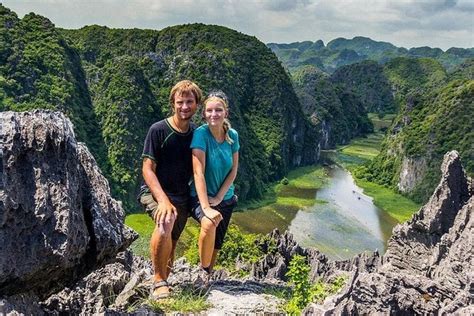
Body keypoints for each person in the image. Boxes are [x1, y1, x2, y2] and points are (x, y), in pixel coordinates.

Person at [139, 80, 202, 299]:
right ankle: (158, 281)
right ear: (173, 104)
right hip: (154, 192)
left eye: (189, 102)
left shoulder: (197, 133)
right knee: (165, 220)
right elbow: (147, 169)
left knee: (173, 241)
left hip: (181, 194)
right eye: (180, 102)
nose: (184, 106)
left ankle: (165, 281)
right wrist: (163, 200)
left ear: (196, 105)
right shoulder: (158, 130)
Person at [190, 90, 240, 277]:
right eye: (209, 110)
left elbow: (234, 169)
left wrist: (219, 197)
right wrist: (206, 206)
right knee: (209, 224)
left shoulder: (232, 135)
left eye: (218, 110)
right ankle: (202, 273)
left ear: (225, 112)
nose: (214, 114)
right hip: (200, 196)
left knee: (217, 244)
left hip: (225, 198)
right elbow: (198, 172)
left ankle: (209, 275)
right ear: (204, 114)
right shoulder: (201, 135)